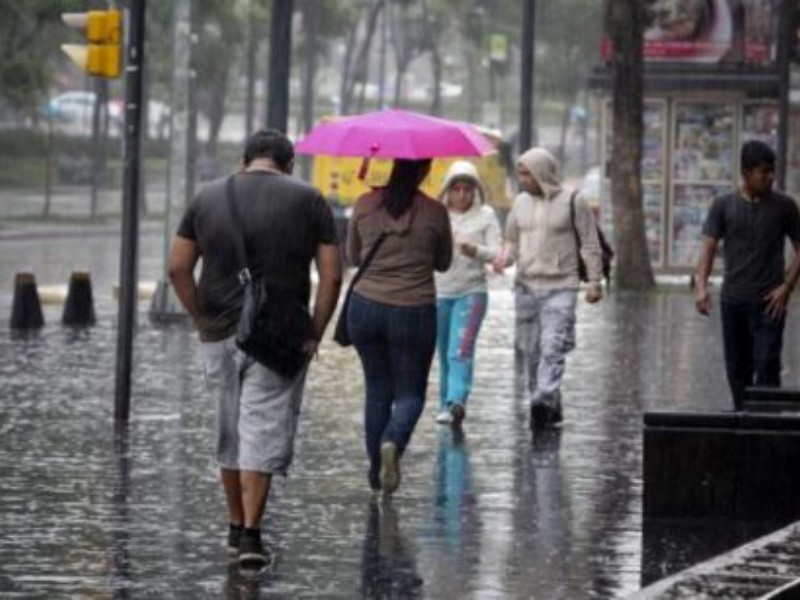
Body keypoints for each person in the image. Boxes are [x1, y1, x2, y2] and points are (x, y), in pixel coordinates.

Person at [168, 129, 342, 569]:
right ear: (288, 165)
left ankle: (232, 525)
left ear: (244, 160)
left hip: (220, 333)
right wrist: (314, 333)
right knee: (261, 430)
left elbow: (177, 268)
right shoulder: (310, 200)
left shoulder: (206, 198)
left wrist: (201, 317)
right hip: (280, 337)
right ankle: (250, 535)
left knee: (229, 429)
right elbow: (332, 276)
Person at [347, 159, 453, 496]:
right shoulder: (435, 211)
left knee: (377, 390)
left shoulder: (364, 204)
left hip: (365, 309)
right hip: (413, 311)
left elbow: (354, 256)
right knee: (410, 393)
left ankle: (377, 473)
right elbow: (443, 262)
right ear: (423, 171)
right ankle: (392, 441)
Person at [494, 147, 603, 429]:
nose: (521, 179)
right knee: (530, 350)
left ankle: (542, 399)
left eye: (526, 174)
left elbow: (590, 243)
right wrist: (505, 256)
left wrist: (594, 281)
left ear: (541, 173)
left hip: (562, 286)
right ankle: (546, 397)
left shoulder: (573, 202)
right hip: (526, 286)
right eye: (519, 173)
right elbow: (511, 239)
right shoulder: (519, 203)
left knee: (552, 346)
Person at [695, 140, 800, 410]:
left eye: (772, 171)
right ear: (745, 173)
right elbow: (708, 246)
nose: (770, 177)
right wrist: (701, 287)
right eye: (763, 172)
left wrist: (787, 286)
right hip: (733, 301)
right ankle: (742, 422)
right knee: (737, 370)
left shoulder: (785, 207)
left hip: (769, 302)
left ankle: (767, 426)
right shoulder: (724, 206)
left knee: (766, 363)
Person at [434, 161, 501, 426]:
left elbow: (497, 253)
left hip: (471, 292)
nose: (461, 195)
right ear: (447, 190)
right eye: (456, 189)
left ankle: (456, 402)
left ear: (475, 190)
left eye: (467, 189)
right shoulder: (437, 214)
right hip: (439, 293)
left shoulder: (486, 215)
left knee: (459, 350)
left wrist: (475, 250)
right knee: (444, 353)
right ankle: (445, 404)